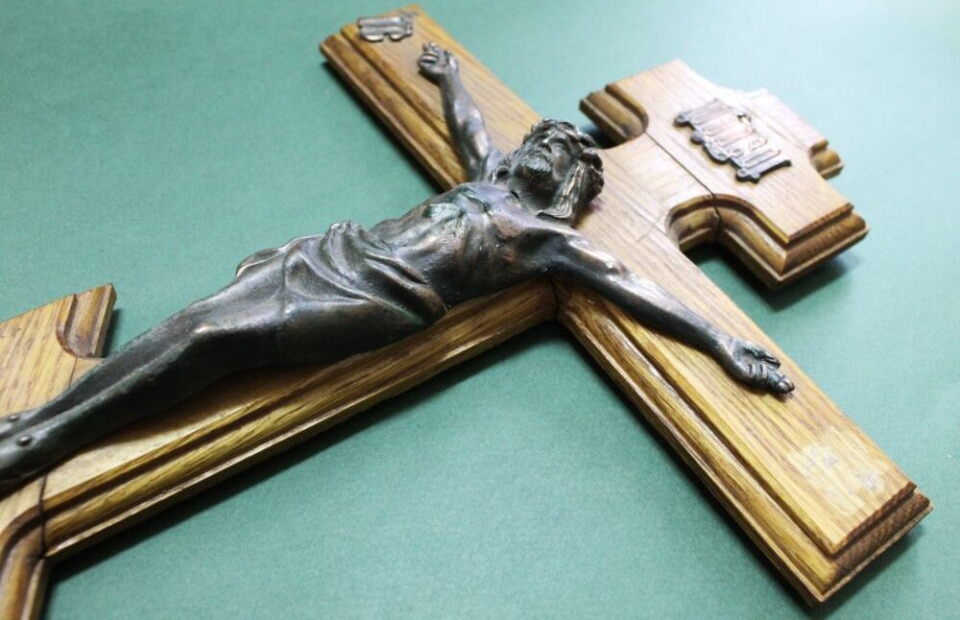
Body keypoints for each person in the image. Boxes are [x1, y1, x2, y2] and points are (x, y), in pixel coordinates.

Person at [0, 44, 792, 493]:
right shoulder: (488, 181)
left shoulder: (548, 239)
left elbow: (637, 288)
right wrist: (450, 78)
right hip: (334, 253)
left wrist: (723, 342)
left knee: (212, 341)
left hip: (380, 299)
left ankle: (48, 442)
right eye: (542, 138)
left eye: (561, 151)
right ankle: (39, 418)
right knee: (190, 320)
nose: (544, 145)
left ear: (572, 185)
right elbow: (470, 127)